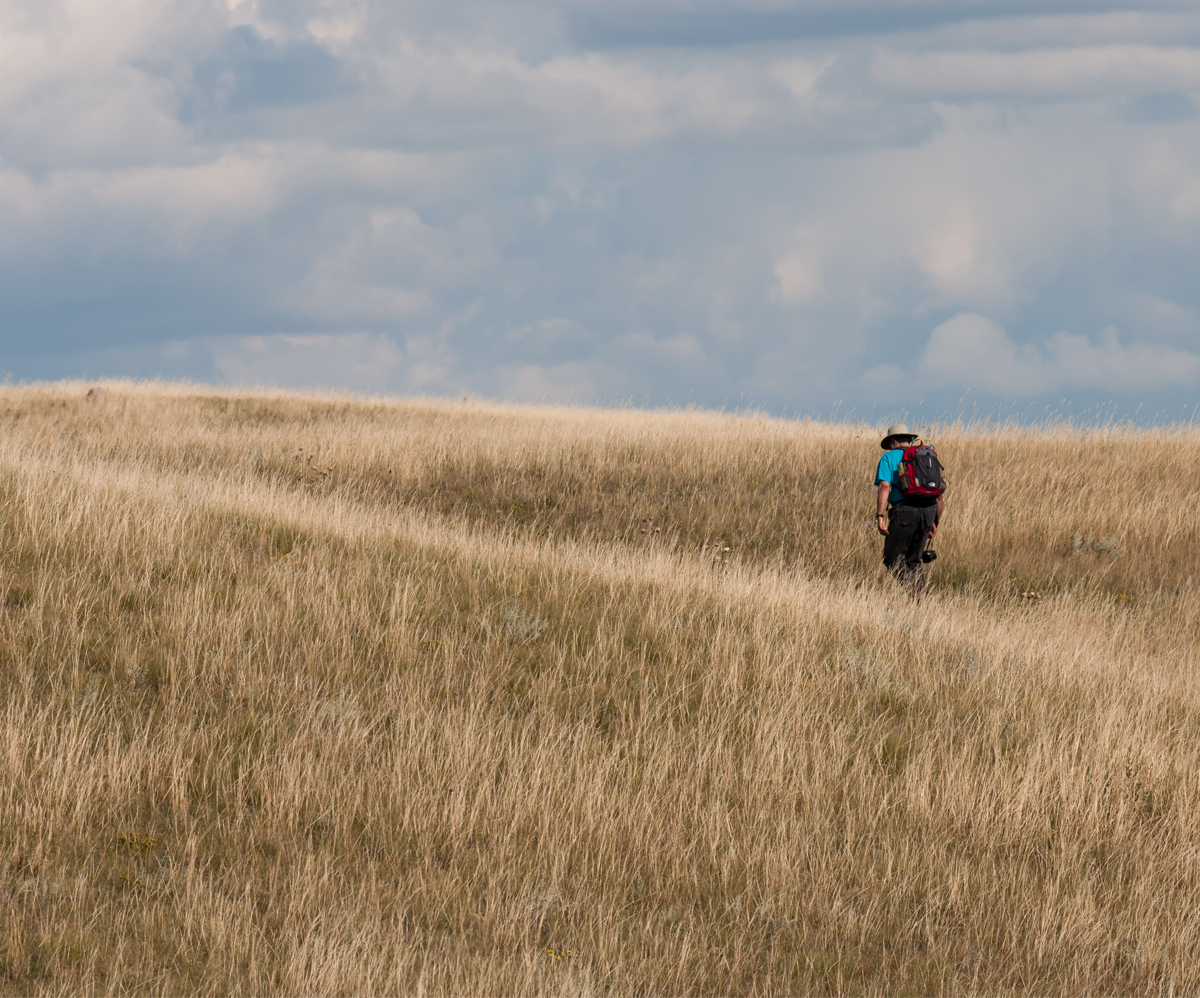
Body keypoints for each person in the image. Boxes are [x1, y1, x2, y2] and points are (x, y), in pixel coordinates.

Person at [874, 423, 942, 597]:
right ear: (910, 440)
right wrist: (935, 521)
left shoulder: (889, 458)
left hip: (904, 511)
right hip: (928, 511)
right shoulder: (926, 457)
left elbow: (884, 486)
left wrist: (880, 515)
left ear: (893, 441)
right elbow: (938, 495)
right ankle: (921, 603)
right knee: (913, 561)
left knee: (891, 558)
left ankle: (918, 592)